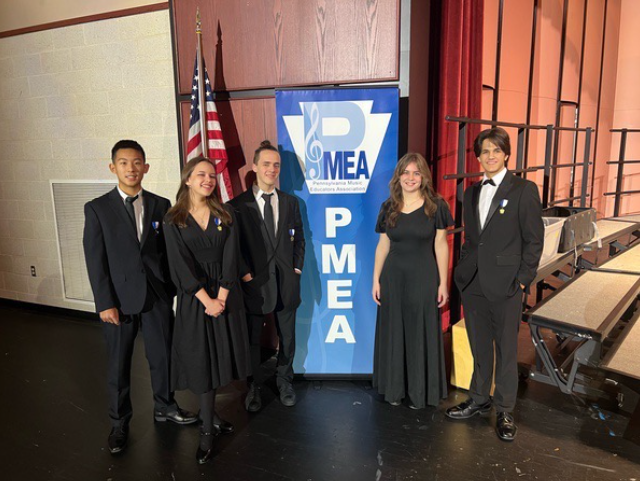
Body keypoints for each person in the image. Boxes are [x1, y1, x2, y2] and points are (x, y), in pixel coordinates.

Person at [83, 140, 197, 455]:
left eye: (137, 163)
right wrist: (104, 302)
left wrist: (171, 289)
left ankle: (165, 405)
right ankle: (119, 422)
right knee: (119, 365)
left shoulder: (161, 205)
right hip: (118, 302)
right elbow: (95, 259)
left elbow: (168, 252)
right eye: (124, 163)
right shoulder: (97, 208)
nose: (131, 169)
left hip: (156, 297)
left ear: (145, 167)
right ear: (113, 167)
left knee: (162, 358)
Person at [446, 127, 544, 441]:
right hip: (473, 283)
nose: (489, 156)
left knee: (505, 348)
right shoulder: (471, 192)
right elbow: (474, 240)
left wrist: (522, 280)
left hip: (507, 285)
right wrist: (463, 268)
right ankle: (478, 398)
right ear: (478, 156)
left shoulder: (523, 189)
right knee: (479, 346)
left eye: (495, 150)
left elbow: (534, 240)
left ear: (505, 154)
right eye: (484, 151)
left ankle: (504, 410)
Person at [164, 156, 251, 464]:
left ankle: (210, 415)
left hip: (225, 296)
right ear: (187, 179)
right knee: (201, 360)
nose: (208, 179)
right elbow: (180, 267)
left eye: (212, 175)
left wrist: (223, 296)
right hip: (195, 300)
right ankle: (206, 432)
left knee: (221, 357)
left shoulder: (225, 213)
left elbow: (231, 256)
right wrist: (207, 299)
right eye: (201, 174)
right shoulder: (173, 219)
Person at [371, 153, 454, 409]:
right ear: (398, 176)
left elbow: (441, 245)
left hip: (423, 276)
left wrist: (443, 283)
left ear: (423, 177)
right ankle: (394, 390)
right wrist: (376, 280)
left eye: (416, 173)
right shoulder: (388, 207)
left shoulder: (436, 206)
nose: (410, 178)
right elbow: (383, 245)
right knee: (395, 331)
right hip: (393, 277)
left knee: (419, 333)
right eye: (405, 173)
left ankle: (419, 393)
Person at [229, 140, 305, 411]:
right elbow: (233, 247)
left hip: (286, 284)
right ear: (254, 166)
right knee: (252, 341)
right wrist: (245, 275)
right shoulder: (237, 206)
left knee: (288, 338)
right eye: (266, 164)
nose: (272, 169)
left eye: (276, 165)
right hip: (254, 286)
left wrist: (296, 270)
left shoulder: (291, 203)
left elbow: (299, 239)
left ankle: (285, 382)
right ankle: (253, 389)